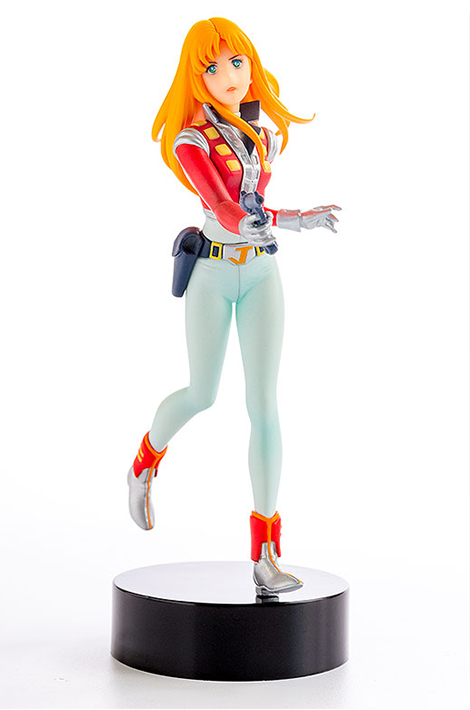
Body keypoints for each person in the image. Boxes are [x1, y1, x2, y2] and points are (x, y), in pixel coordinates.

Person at [128, 17, 340, 595]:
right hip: (214, 271)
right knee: (202, 393)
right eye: (212, 67)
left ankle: (265, 556)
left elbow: (254, 202)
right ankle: (145, 461)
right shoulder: (191, 141)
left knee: (264, 405)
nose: (229, 75)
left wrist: (290, 221)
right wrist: (270, 221)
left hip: (262, 270)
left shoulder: (263, 134)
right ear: (195, 78)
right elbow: (221, 203)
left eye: (237, 62)